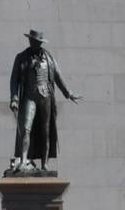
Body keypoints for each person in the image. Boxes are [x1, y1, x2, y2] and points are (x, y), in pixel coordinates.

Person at [8, 30, 81, 171]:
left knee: (45, 131)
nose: (34, 43)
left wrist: (68, 93)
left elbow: (58, 76)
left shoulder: (48, 58)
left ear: (40, 42)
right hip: (29, 96)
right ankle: (23, 161)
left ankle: (44, 163)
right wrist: (14, 98)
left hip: (46, 96)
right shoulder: (21, 57)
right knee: (26, 128)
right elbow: (14, 79)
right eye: (32, 40)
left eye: (36, 41)